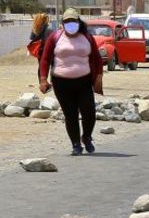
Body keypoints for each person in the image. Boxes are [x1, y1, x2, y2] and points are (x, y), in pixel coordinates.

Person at [37, 8, 103, 156]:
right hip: (61, 83)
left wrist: (99, 77)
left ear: (78, 22)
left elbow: (97, 59)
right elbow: (45, 59)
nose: (71, 24)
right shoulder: (55, 37)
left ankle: (86, 137)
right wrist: (43, 79)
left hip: (84, 81)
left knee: (89, 112)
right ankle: (75, 144)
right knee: (70, 114)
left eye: (73, 21)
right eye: (67, 21)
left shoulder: (87, 37)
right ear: (62, 23)